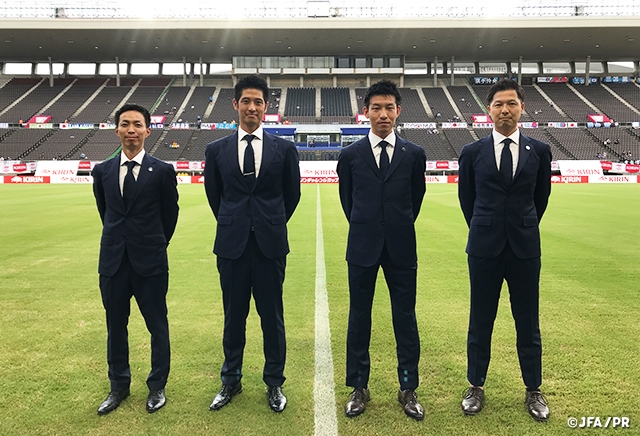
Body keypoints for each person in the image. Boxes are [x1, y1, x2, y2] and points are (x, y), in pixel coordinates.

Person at [204, 75, 301, 413]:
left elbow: (292, 196)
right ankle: (230, 380)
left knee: (272, 317)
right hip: (231, 246)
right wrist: (238, 224)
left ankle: (274, 383)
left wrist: (267, 223)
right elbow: (215, 197)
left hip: (270, 246)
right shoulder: (216, 150)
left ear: (266, 107)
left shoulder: (284, 149)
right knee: (233, 317)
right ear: (235, 104)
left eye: (258, 101)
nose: (252, 107)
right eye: (246, 100)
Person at [457, 79, 552, 422]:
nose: (505, 110)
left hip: (525, 248)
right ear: (489, 110)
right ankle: (476, 386)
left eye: (511, 103)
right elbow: (467, 200)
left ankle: (533, 389)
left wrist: (520, 225)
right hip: (484, 248)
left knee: (527, 321)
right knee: (480, 320)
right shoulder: (471, 152)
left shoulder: (539, 152)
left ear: (521, 108)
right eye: (498, 104)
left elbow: (540, 198)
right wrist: (486, 226)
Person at [336, 80, 427, 421]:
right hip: (362, 246)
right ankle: (359, 387)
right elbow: (349, 202)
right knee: (359, 318)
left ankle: (408, 387)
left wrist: (395, 225)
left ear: (398, 111)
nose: (383, 114)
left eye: (389, 107)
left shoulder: (414, 154)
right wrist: (369, 227)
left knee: (405, 318)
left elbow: (414, 200)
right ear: (366, 112)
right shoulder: (350, 155)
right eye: (376, 108)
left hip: (402, 247)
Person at [92, 103, 179, 415]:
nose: (131, 130)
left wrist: (154, 243)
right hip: (114, 262)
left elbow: (170, 216)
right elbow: (107, 213)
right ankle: (118, 387)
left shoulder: (163, 171)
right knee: (116, 326)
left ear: (147, 130)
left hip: (151, 262)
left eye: (137, 125)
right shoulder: (102, 171)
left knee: (157, 325)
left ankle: (157, 387)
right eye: (125, 124)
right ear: (117, 130)